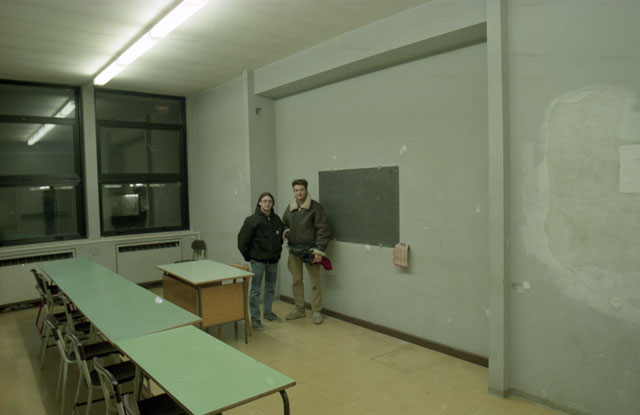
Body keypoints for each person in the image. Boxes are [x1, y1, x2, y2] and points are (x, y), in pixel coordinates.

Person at [282, 179, 331, 324]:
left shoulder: (316, 207)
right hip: (293, 251)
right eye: (296, 190)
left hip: (311, 251)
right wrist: (287, 233)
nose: (299, 193)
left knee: (315, 283)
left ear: (306, 190)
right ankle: (299, 309)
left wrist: (319, 250)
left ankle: (316, 311)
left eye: (301, 190)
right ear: (294, 191)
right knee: (296, 281)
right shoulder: (290, 208)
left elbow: (323, 229)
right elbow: (284, 223)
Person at [237, 192, 284, 331]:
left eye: (270, 201)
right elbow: (242, 241)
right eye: (264, 201)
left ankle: (268, 313)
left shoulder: (277, 220)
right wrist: (250, 257)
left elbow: (280, 239)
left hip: (273, 261)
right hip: (258, 262)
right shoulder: (251, 220)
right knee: (255, 290)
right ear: (259, 203)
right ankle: (255, 319)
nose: (267, 203)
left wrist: (277, 252)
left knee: (270, 288)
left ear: (272, 204)